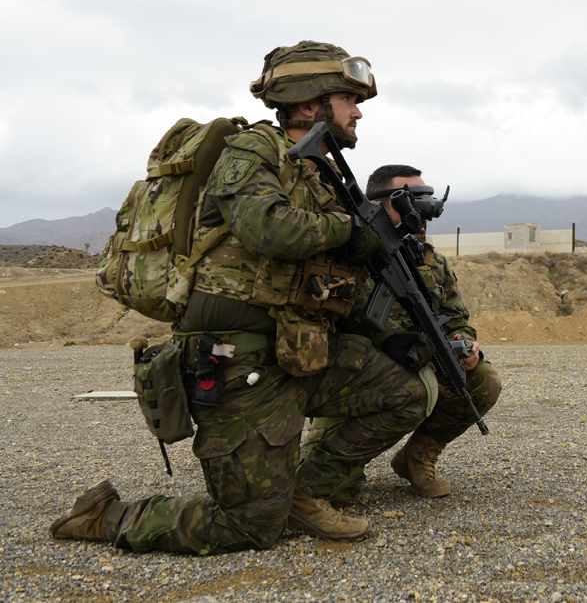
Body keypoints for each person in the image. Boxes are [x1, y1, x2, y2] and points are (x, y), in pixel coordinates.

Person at [50, 41, 435, 555]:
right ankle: (106, 516)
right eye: (348, 98)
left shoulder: (322, 174)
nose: (358, 111)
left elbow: (327, 262)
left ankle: (301, 490)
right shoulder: (254, 151)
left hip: (300, 349)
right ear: (308, 105)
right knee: (250, 527)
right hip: (239, 359)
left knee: (406, 391)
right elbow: (265, 229)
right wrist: (350, 228)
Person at [301, 165, 501, 500]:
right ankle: (336, 465)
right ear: (378, 204)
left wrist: (459, 342)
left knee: (483, 381)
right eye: (408, 201)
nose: (420, 214)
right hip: (360, 373)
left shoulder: (428, 258)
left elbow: (455, 315)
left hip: (418, 363)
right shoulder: (351, 251)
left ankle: (415, 458)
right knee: (331, 492)